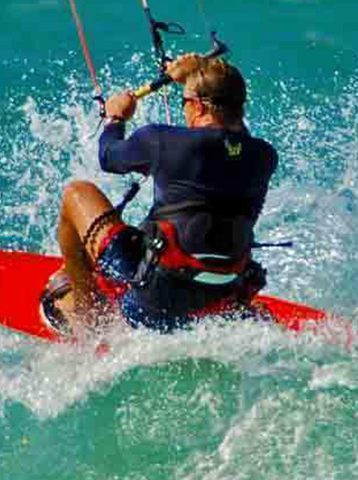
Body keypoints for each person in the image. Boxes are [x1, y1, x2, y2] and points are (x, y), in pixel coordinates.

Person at [43, 53, 277, 334]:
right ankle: (231, 306)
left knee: (76, 193)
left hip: (152, 305)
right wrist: (196, 76)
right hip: (221, 298)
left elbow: (108, 156)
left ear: (200, 106)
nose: (184, 111)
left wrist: (116, 117)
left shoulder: (160, 141)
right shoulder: (263, 156)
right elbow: (233, 140)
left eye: (185, 104)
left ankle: (87, 314)